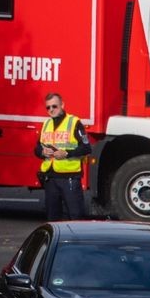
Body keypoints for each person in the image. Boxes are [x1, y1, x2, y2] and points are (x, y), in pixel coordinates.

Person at [35, 93, 91, 221]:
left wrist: (66, 153)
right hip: (50, 177)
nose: (51, 110)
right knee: (52, 218)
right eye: (48, 108)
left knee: (75, 216)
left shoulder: (74, 122)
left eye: (54, 106)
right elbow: (37, 149)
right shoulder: (46, 124)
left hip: (69, 177)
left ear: (62, 105)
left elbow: (87, 148)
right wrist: (43, 152)